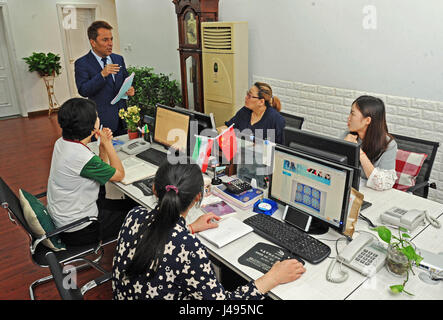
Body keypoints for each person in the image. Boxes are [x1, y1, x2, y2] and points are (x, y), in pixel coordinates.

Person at [112, 162, 305, 300]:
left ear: (154, 189)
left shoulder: (134, 215)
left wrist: (190, 228)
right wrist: (272, 278)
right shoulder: (189, 248)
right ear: (199, 197)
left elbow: (159, 239)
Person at [47, 98, 136, 246]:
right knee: (139, 212)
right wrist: (108, 145)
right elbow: (119, 174)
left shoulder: (61, 143)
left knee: (128, 203)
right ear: (92, 126)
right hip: (81, 229)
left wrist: (101, 147)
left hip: (65, 218)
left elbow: (97, 168)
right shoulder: (80, 157)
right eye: (96, 116)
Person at [75, 20, 135, 136]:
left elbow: (125, 80)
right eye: (105, 40)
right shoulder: (82, 63)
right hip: (102, 121)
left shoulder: (118, 59)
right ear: (93, 42)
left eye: (111, 39)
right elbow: (83, 90)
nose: (110, 43)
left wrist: (130, 89)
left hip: (123, 118)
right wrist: (101, 75)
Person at [343, 95, 398, 191]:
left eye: (353, 114)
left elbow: (383, 183)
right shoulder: (348, 135)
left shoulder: (389, 144)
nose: (348, 118)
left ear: (367, 120)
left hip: (376, 194)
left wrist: (357, 150)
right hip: (353, 189)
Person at [219, 82, 286, 144]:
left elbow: (280, 150)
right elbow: (229, 126)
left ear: (261, 102)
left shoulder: (276, 120)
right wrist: (219, 130)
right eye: (247, 94)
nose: (246, 97)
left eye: (249, 96)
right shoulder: (245, 111)